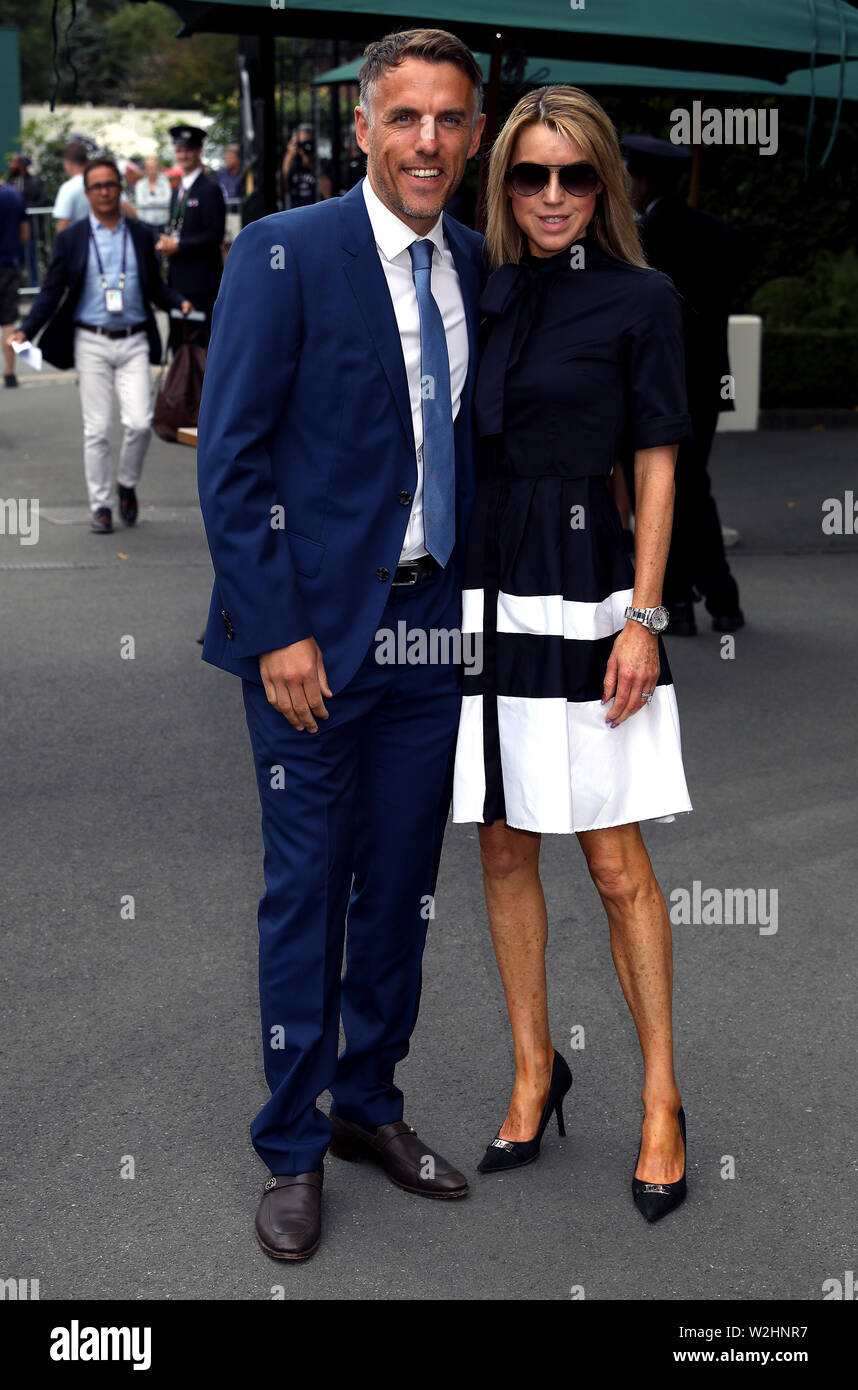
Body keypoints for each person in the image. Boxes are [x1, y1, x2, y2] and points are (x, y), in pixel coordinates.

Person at [197, 27, 486, 1260]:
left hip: (430, 637)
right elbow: (233, 456)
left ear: (474, 134)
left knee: (403, 895)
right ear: (362, 128)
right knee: (306, 894)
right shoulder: (284, 251)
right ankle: (292, 1142)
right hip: (311, 645)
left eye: (449, 120)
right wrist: (278, 634)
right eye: (405, 116)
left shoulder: (477, 259)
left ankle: (370, 1103)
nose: (427, 140)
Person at [451, 85, 692, 1224]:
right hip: (489, 589)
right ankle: (534, 1071)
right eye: (531, 175)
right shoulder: (480, 288)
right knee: (503, 850)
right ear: (505, 185)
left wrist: (644, 616)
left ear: (607, 186)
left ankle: (659, 1099)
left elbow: (656, 461)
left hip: (591, 592)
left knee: (610, 857)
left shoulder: (644, 298)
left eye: (576, 176)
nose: (553, 196)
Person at [12, 158, 193, 532]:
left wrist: (178, 302)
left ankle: (125, 483)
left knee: (140, 423)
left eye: (111, 184)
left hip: (134, 340)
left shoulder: (141, 235)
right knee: (96, 430)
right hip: (90, 340)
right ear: (87, 193)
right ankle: (101, 506)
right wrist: (26, 330)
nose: (105, 191)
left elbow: (154, 287)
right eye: (97, 186)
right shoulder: (71, 238)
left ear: (119, 188)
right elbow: (51, 291)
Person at [622, 134, 744, 635]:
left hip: (661, 387)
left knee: (662, 488)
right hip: (708, 383)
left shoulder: (641, 238)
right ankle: (720, 599)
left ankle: (679, 601)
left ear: (642, 180)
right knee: (693, 487)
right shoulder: (714, 230)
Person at [157, 126, 225, 352]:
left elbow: (215, 234)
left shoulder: (210, 188)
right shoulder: (178, 189)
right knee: (180, 346)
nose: (183, 155)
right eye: (179, 150)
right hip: (178, 280)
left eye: (188, 150)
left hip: (201, 281)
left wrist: (180, 245)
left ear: (198, 152)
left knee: (200, 347)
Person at [0, 173, 29, 387]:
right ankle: (10, 372)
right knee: (8, 321)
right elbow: (24, 235)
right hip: (8, 264)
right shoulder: (14, 196)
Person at [7, 154, 46, 289]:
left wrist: (24, 208)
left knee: (31, 259)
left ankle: (33, 287)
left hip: (30, 228)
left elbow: (42, 200)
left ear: (22, 165)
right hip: (11, 230)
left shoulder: (34, 181)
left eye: (14, 162)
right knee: (15, 260)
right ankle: (15, 288)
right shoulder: (9, 182)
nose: (11, 165)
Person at [280, 124, 331, 207]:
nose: (305, 147)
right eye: (301, 143)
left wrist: (313, 165)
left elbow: (329, 196)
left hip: (317, 214)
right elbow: (281, 190)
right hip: (296, 214)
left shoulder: (323, 163)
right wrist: (289, 156)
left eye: (308, 142)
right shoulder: (292, 164)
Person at [53, 141, 90, 232]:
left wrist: (59, 245)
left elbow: (63, 224)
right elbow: (129, 212)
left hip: (78, 243)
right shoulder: (103, 183)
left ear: (68, 162)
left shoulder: (68, 188)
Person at [134, 157, 172, 235]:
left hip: (162, 224)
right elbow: (140, 203)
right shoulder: (140, 184)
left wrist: (148, 200)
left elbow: (168, 201)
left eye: (154, 168)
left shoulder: (165, 183)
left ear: (158, 168)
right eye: (150, 168)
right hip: (145, 223)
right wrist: (160, 199)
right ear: (145, 169)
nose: (152, 171)